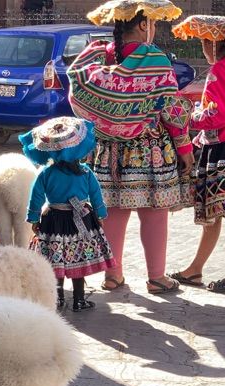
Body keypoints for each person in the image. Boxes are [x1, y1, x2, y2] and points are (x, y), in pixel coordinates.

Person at [68, 0, 194, 294]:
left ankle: (113, 275)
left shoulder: (99, 57)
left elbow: (80, 99)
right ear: (141, 24)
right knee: (154, 210)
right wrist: (184, 146)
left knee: (112, 210)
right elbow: (170, 107)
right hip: (149, 150)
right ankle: (156, 277)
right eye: (152, 23)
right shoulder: (154, 59)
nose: (153, 29)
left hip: (108, 150)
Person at [20, 117, 115, 311]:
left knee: (56, 261)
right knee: (78, 259)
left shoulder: (46, 173)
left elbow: (36, 197)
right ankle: (79, 300)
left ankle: (58, 299)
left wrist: (33, 219)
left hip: (53, 221)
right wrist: (100, 215)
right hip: (81, 219)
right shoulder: (86, 173)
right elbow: (96, 197)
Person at [167, 16, 225, 293]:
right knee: (215, 215)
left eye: (205, 41)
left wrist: (192, 118)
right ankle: (195, 269)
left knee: (215, 213)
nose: (203, 46)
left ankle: (195, 270)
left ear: (214, 44)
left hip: (220, 149)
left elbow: (217, 114)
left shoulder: (219, 71)